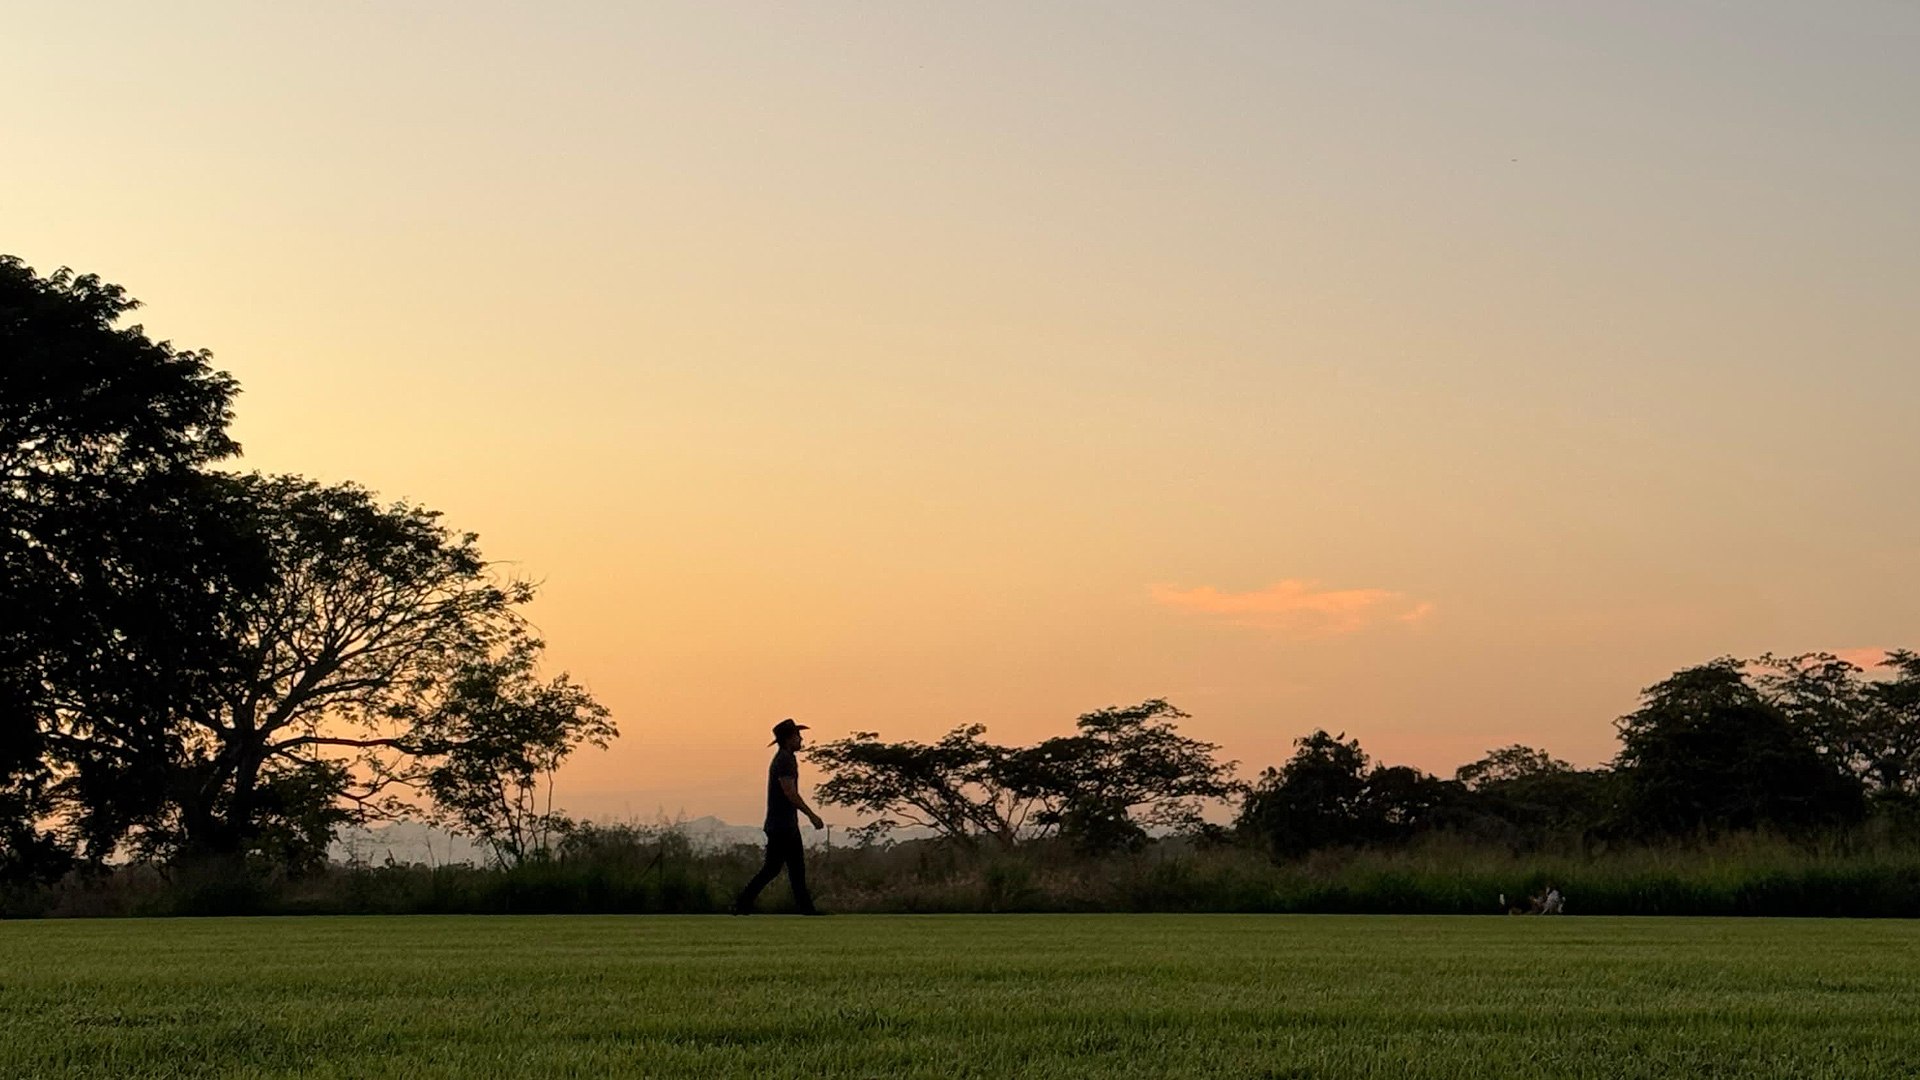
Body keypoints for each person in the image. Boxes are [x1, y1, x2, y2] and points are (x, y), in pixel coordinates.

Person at [730, 718, 826, 915]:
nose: (801, 739)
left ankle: (805, 909)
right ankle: (743, 904)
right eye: (797, 736)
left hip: (783, 823)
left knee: (789, 869)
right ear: (788, 739)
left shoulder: (786, 758)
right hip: (782, 825)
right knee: (779, 869)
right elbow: (789, 792)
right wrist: (811, 815)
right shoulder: (784, 760)